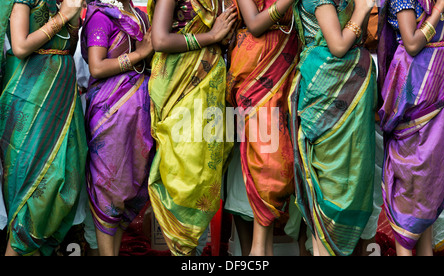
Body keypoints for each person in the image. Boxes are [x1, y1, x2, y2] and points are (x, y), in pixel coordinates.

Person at [147, 0, 236, 255]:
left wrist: (222, 39)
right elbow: (160, 40)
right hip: (179, 90)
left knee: (204, 176)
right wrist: (211, 36)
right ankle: (183, 250)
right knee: (182, 171)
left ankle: (191, 251)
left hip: (212, 91)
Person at [0, 0, 88, 256]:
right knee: (30, 191)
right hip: (28, 97)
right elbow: (20, 46)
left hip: (61, 95)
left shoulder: (62, 2)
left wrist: (71, 15)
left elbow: (67, 48)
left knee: (65, 174)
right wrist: (64, 16)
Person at [290, 0, 377, 256]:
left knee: (350, 177)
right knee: (329, 185)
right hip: (326, 95)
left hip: (348, 95)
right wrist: (361, 10)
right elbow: (338, 46)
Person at [225, 0, 299, 256]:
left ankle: (259, 249)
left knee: (277, 162)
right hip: (256, 77)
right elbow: (254, 23)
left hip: (287, 74)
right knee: (264, 162)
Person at [81, 0, 155, 256]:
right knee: (108, 188)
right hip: (109, 114)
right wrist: (139, 54)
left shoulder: (137, 14)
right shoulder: (101, 15)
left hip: (137, 114)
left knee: (127, 189)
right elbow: (97, 66)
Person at [377, 0, 444, 256]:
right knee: (410, 181)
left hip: (437, 94)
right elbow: (412, 43)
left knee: (426, 185)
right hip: (413, 97)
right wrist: (440, 8)